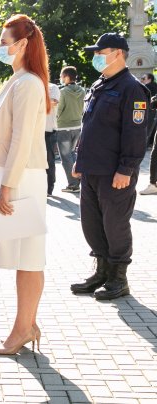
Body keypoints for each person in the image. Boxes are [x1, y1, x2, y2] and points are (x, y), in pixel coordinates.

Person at [0, 14, 50, 355]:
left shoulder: (27, 83)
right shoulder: (19, 79)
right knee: (21, 255)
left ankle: (23, 328)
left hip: (22, 178)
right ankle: (27, 324)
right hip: (14, 176)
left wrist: (7, 186)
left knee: (29, 257)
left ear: (23, 43)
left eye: (4, 41)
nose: (0, 47)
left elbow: (23, 139)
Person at [70, 33, 149, 300]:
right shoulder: (99, 85)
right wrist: (79, 161)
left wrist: (126, 169)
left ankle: (118, 278)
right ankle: (101, 272)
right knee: (92, 224)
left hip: (115, 172)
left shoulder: (132, 88)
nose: (96, 57)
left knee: (115, 225)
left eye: (100, 52)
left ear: (117, 53)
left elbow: (136, 134)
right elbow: (89, 126)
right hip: (92, 169)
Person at [55, 66, 85, 193]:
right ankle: (79, 179)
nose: (61, 79)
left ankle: (73, 184)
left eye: (62, 76)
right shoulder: (82, 90)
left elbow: (59, 110)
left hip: (64, 127)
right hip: (77, 126)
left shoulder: (63, 92)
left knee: (66, 157)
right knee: (73, 154)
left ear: (67, 77)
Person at [45, 83, 61, 196]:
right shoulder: (32, 84)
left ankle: (49, 188)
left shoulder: (52, 87)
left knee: (49, 161)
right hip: (34, 131)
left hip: (48, 131)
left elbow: (54, 102)